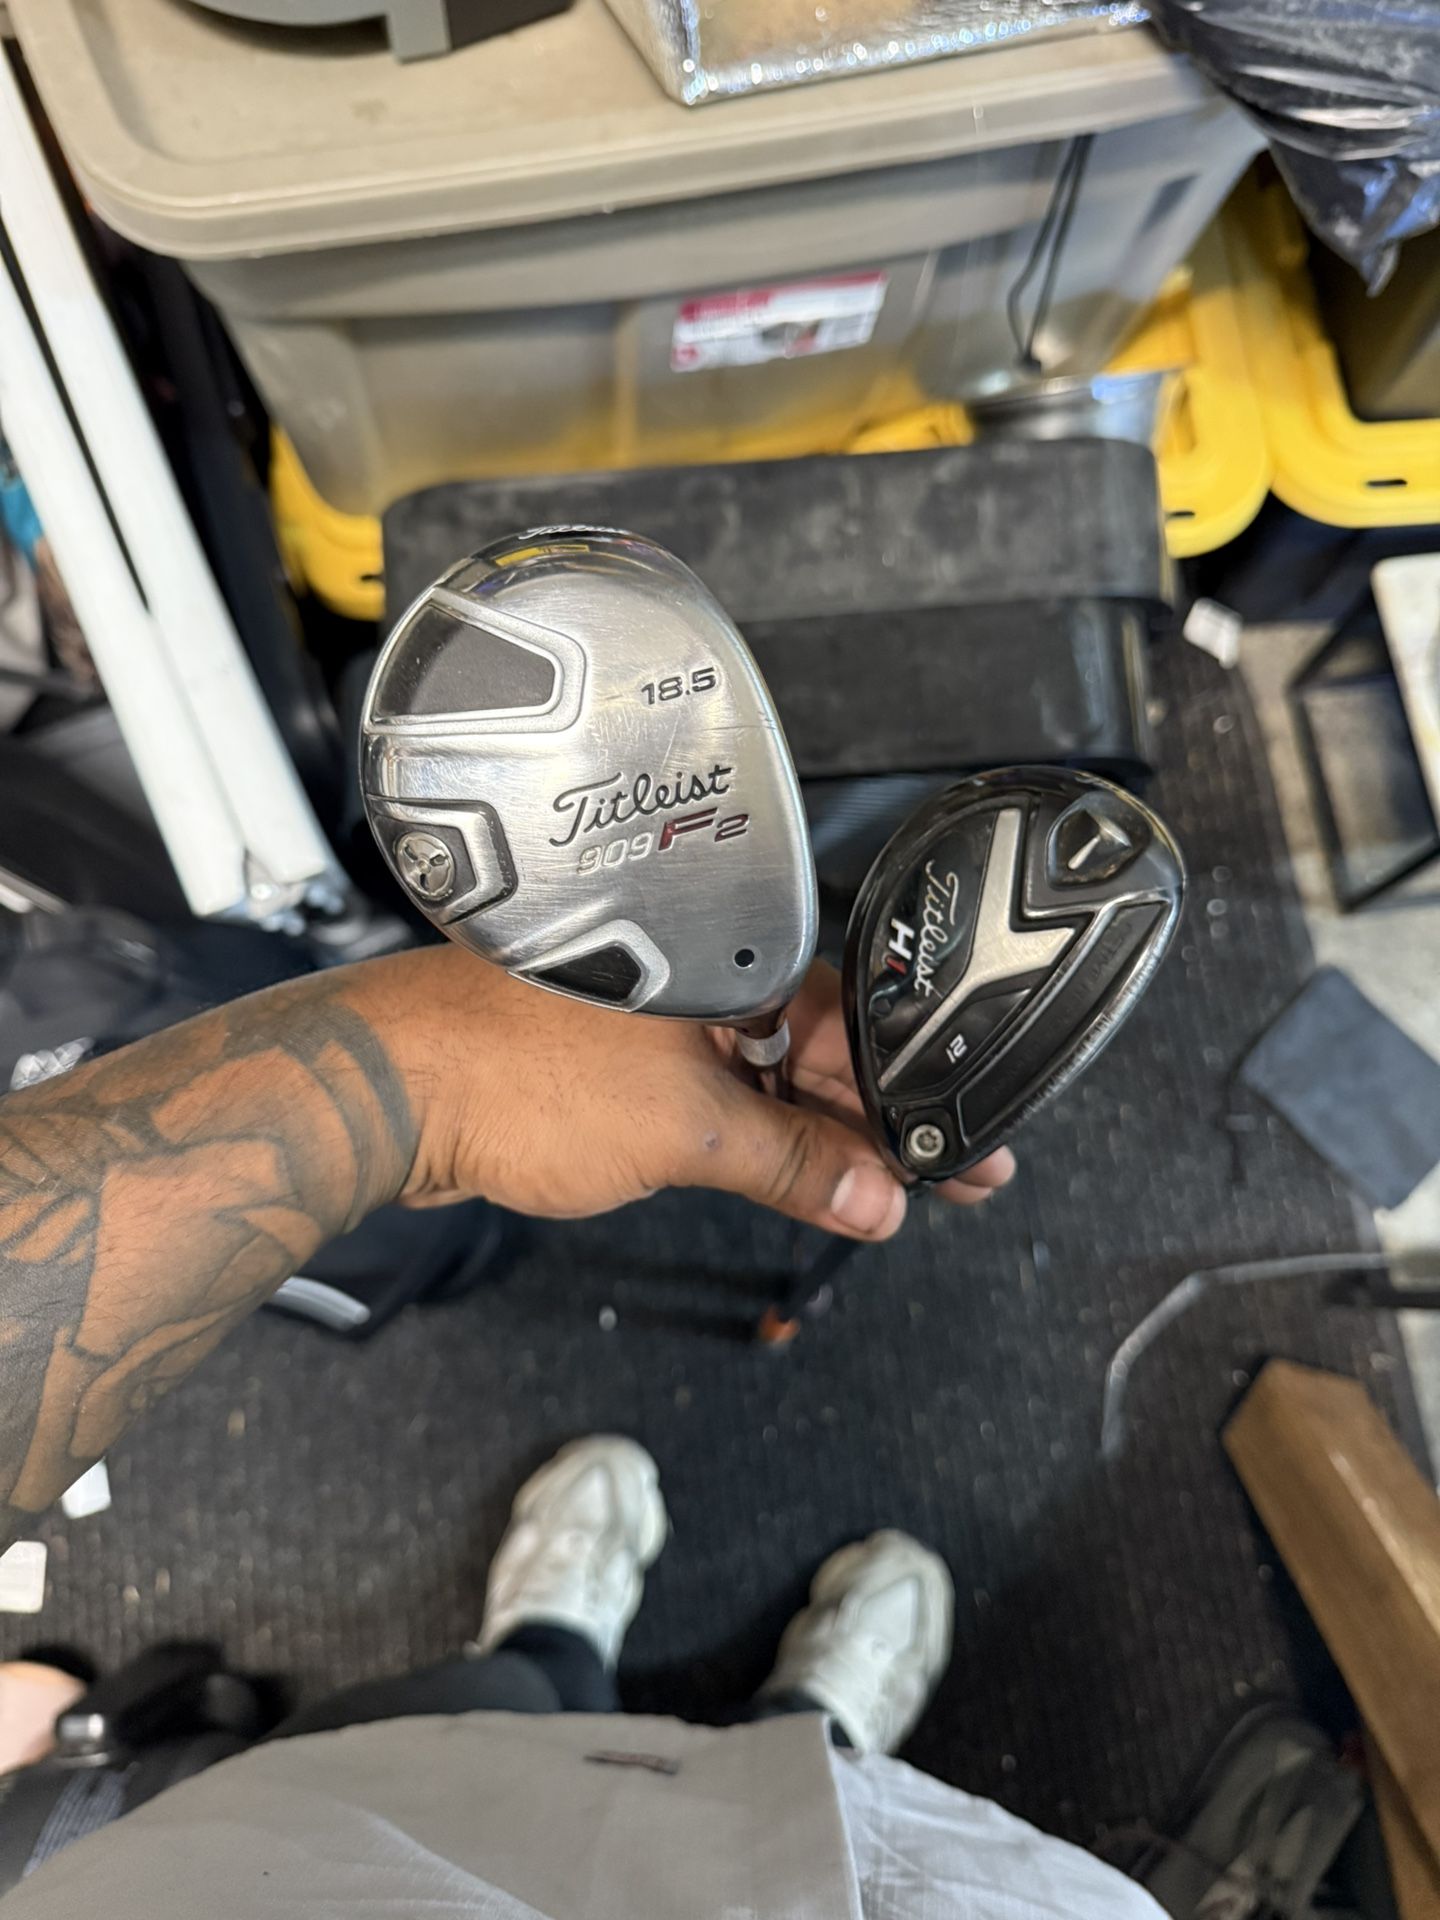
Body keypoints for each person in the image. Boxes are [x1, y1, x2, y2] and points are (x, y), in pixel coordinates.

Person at [0, 945, 1161, 1917]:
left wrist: (428, 1068)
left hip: (319, 1834)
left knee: (493, 1718)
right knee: (812, 1823)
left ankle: (551, 1653)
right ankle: (810, 1734)